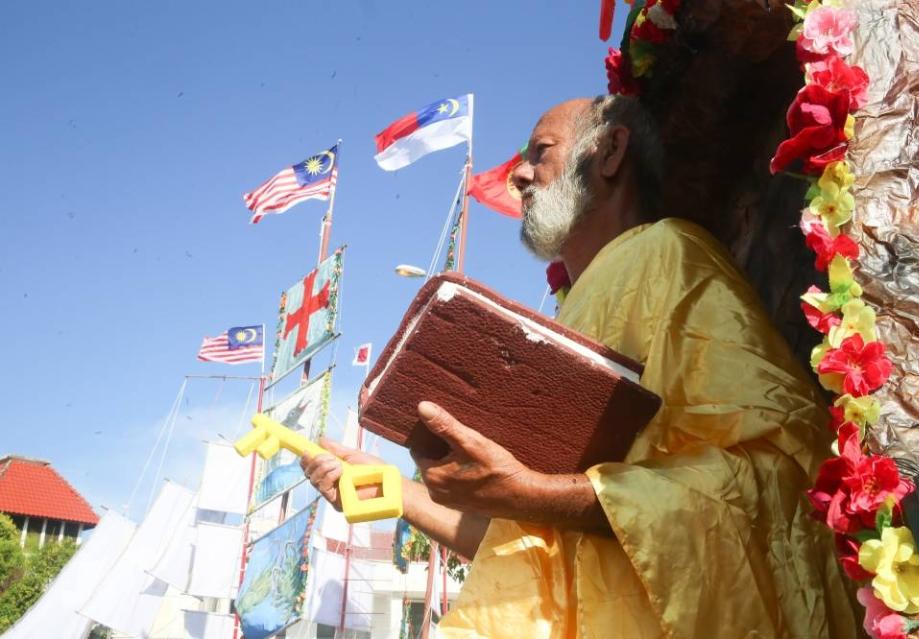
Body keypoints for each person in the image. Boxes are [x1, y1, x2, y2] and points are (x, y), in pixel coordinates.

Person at [302, 96, 859, 638]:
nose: (519, 174)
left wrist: (535, 494)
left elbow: (779, 478)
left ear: (611, 152)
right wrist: (400, 494)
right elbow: (528, 545)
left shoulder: (668, 254)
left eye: (540, 151)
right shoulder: (575, 304)